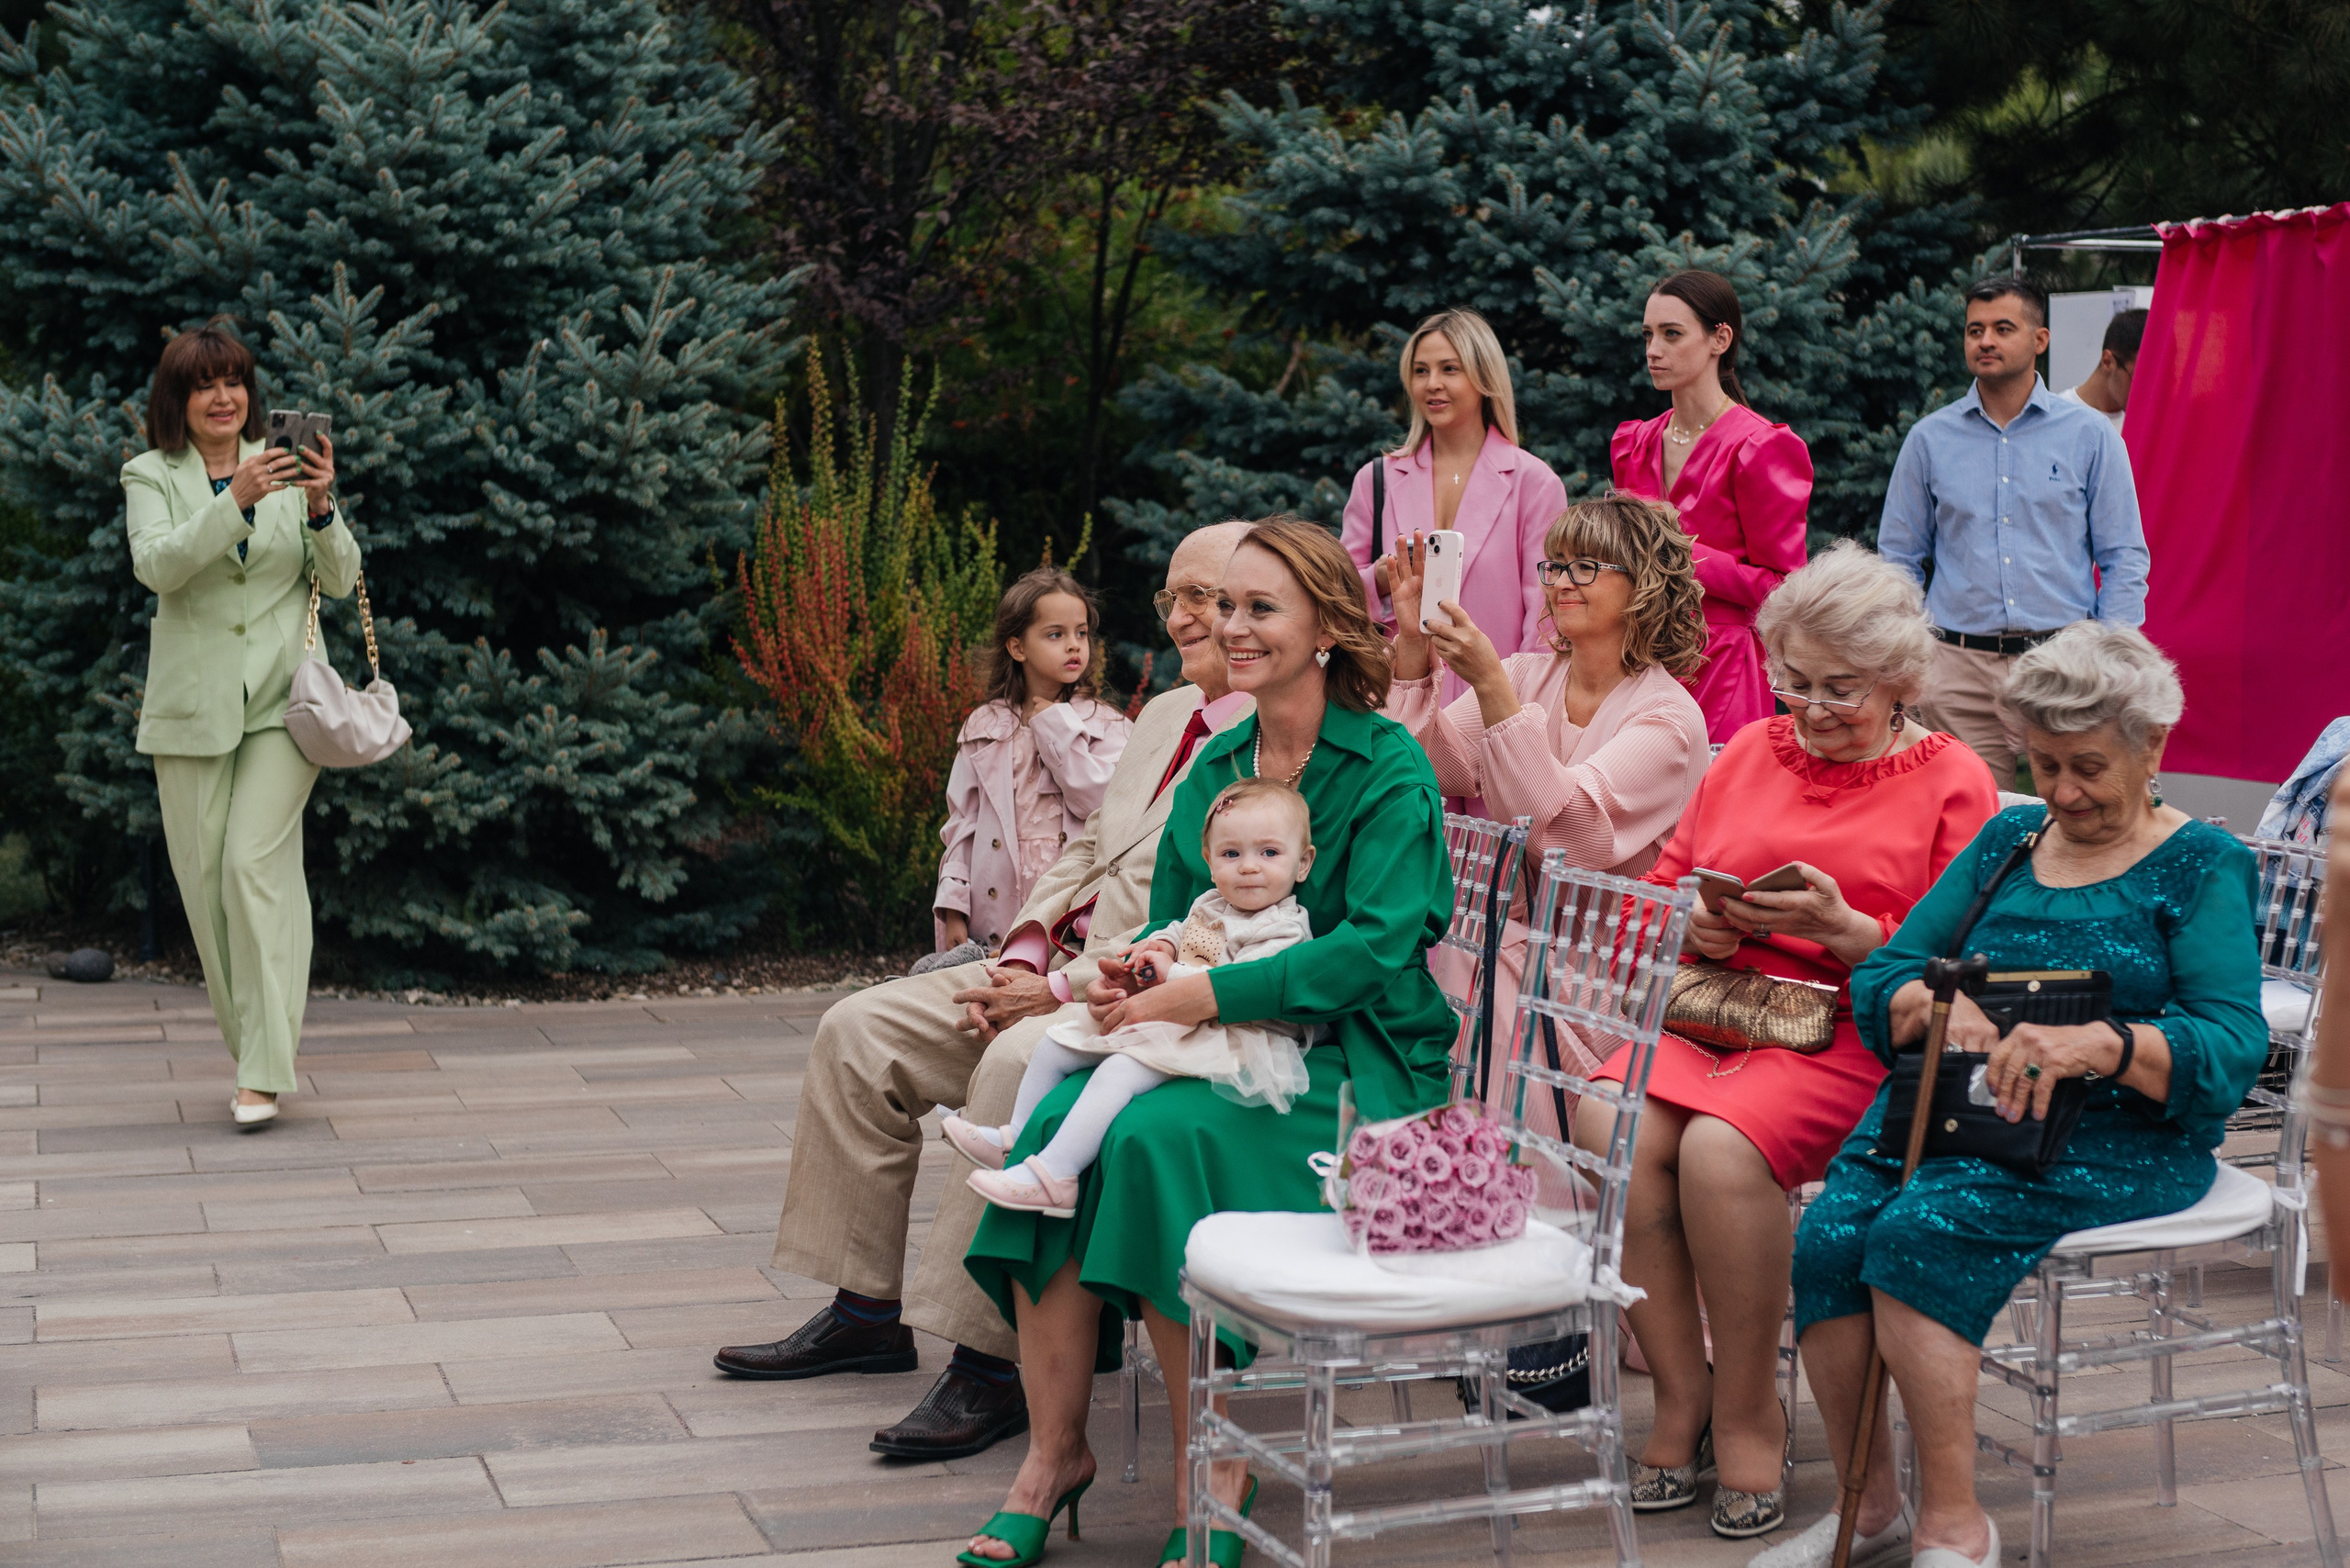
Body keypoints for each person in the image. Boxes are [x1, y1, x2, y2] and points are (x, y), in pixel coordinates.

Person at [957, 517, 1456, 1567]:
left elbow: (1372, 952)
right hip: (1219, 1037)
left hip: (1355, 1063)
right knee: (1048, 1117)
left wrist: (1198, 997)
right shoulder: (1221, 759)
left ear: (1325, 626)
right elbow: (1178, 920)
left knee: (1149, 1140)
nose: (1229, 626)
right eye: (1225, 604)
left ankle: (1211, 1467)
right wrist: (1130, 973)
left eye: (1259, 608)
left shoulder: (1388, 767)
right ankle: (1054, 1456)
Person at [712, 522, 1255, 1463]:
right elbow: (1089, 848)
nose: (1181, 616)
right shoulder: (1167, 714)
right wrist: (1024, 949)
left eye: (1205, 596)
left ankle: (991, 1364)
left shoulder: (1268, 736)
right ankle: (863, 1308)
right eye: (1172, 597)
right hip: (1047, 957)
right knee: (856, 1027)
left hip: (1123, 988)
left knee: (1009, 1066)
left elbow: (1202, 916)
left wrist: (1052, 987)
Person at [1775, 622, 2266, 1568]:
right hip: (1955, 1109)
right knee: (1830, 1235)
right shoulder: (2010, 836)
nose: (2063, 791)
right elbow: (1889, 971)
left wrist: (2103, 1043)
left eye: (2087, 766)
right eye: (2043, 763)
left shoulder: (2202, 863)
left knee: (1919, 1230)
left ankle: (1956, 1526)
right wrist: (1934, 1002)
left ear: (2152, 747)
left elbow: (2233, 1042)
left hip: (2113, 1135)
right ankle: (1867, 1507)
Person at [1569, 543, 1998, 1543]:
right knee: (1606, 1117)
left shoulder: (1955, 780)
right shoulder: (1752, 749)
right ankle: (1684, 1396)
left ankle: (1752, 1412)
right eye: (1794, 682)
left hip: (1854, 1029)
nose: (1809, 708)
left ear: (1900, 681)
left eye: (1839, 689)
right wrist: (1694, 920)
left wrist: (1853, 936)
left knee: (1720, 1151)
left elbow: (1969, 968)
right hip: (1718, 1004)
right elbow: (1667, 880)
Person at [1386, 492, 1712, 1126]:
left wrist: (1489, 686)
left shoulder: (1669, 718)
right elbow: (1428, 770)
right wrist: (1411, 647)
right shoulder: (1527, 674)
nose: (1561, 581)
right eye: (1555, 565)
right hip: (1485, 954)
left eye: (1585, 566)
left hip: (1594, 979)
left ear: (1644, 582)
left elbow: (1563, 836)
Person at [127, 319, 359, 1131]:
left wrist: (321, 503)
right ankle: (255, 1045)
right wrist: (234, 500)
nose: (223, 398)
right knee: (206, 888)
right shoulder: (150, 474)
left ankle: (262, 1072)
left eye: (233, 382)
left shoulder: (290, 469)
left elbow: (340, 578)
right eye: (203, 384)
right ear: (179, 400)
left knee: (252, 868)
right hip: (191, 714)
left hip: (284, 708)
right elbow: (156, 564)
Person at [950, 778, 1318, 1212]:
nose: (1249, 867)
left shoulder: (1284, 927)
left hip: (1233, 1032)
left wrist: (1172, 971)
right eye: (1231, 854)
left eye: (1269, 853)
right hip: (1177, 1019)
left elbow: (1247, 983)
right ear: (1210, 860)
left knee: (1119, 1072)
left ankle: (1057, 1175)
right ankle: (1017, 1134)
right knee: (1054, 1045)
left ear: (1303, 863)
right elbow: (1179, 929)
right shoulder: (1212, 903)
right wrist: (1158, 946)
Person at [1877, 275, 2151, 789]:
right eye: (1974, 329)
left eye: (2003, 328)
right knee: (1967, 821)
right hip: (1958, 672)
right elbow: (1898, 558)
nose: (1986, 340)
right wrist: (1912, 649)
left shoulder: (2090, 435)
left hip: (2066, 665)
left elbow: (2124, 557)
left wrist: (2112, 655)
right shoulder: (1929, 440)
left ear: (2039, 340)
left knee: (2076, 812)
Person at [1609, 270, 1813, 744]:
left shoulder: (1760, 447)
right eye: (1648, 334)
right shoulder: (1633, 443)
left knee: (1714, 807)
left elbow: (1785, 589)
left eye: (1671, 334)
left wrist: (1679, 551)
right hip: (1636, 659)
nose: (1653, 350)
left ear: (1720, 338)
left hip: (1723, 663)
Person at [1339, 308, 1568, 709]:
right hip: (1390, 701)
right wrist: (1380, 576)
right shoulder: (1375, 480)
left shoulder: (1534, 482)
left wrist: (1522, 708)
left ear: (1484, 378)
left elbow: (1545, 615)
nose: (1433, 384)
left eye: (1450, 369)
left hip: (1490, 705)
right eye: (1421, 371)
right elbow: (1333, 594)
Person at [934, 567, 1131, 955]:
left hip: (1067, 900)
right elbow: (961, 823)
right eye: (1055, 634)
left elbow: (1101, 805)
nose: (1074, 645)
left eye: (1081, 632)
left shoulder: (1106, 724)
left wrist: (1055, 727)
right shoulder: (985, 727)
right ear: (1017, 648)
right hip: (994, 901)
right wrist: (954, 906)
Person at [2057, 307, 2148, 433]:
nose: (2146, 392)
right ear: (2107, 361)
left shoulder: (2146, 428)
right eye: (2139, 380)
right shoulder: (2057, 418)